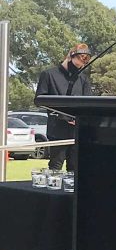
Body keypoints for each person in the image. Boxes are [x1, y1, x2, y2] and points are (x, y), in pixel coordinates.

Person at [35, 43, 93, 171]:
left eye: (81, 66)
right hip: (57, 129)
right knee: (55, 165)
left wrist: (80, 118)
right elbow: (40, 100)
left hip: (77, 131)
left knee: (75, 167)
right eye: (77, 64)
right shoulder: (49, 74)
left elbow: (88, 103)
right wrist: (65, 116)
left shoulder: (83, 79)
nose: (79, 68)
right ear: (70, 57)